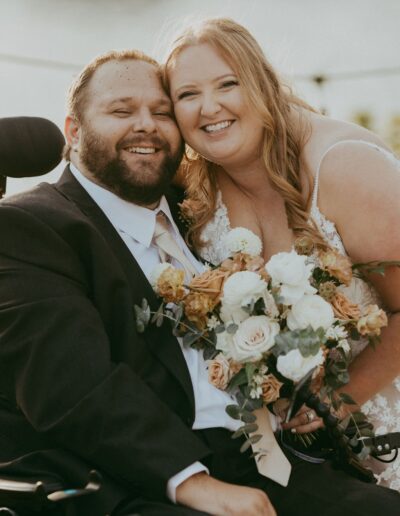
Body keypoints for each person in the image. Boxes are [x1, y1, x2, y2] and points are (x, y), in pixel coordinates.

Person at [0, 49, 399, 516]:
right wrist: (191, 481)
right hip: (131, 476)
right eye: (121, 111)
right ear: (74, 131)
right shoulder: (32, 226)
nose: (146, 125)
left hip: (266, 456)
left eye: (162, 112)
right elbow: (72, 384)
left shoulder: (199, 205)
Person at [165, 17, 400, 489]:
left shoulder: (346, 168)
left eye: (227, 84)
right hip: (271, 447)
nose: (209, 107)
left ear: (262, 82)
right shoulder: (193, 186)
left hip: (380, 429)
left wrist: (341, 401)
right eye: (187, 95)